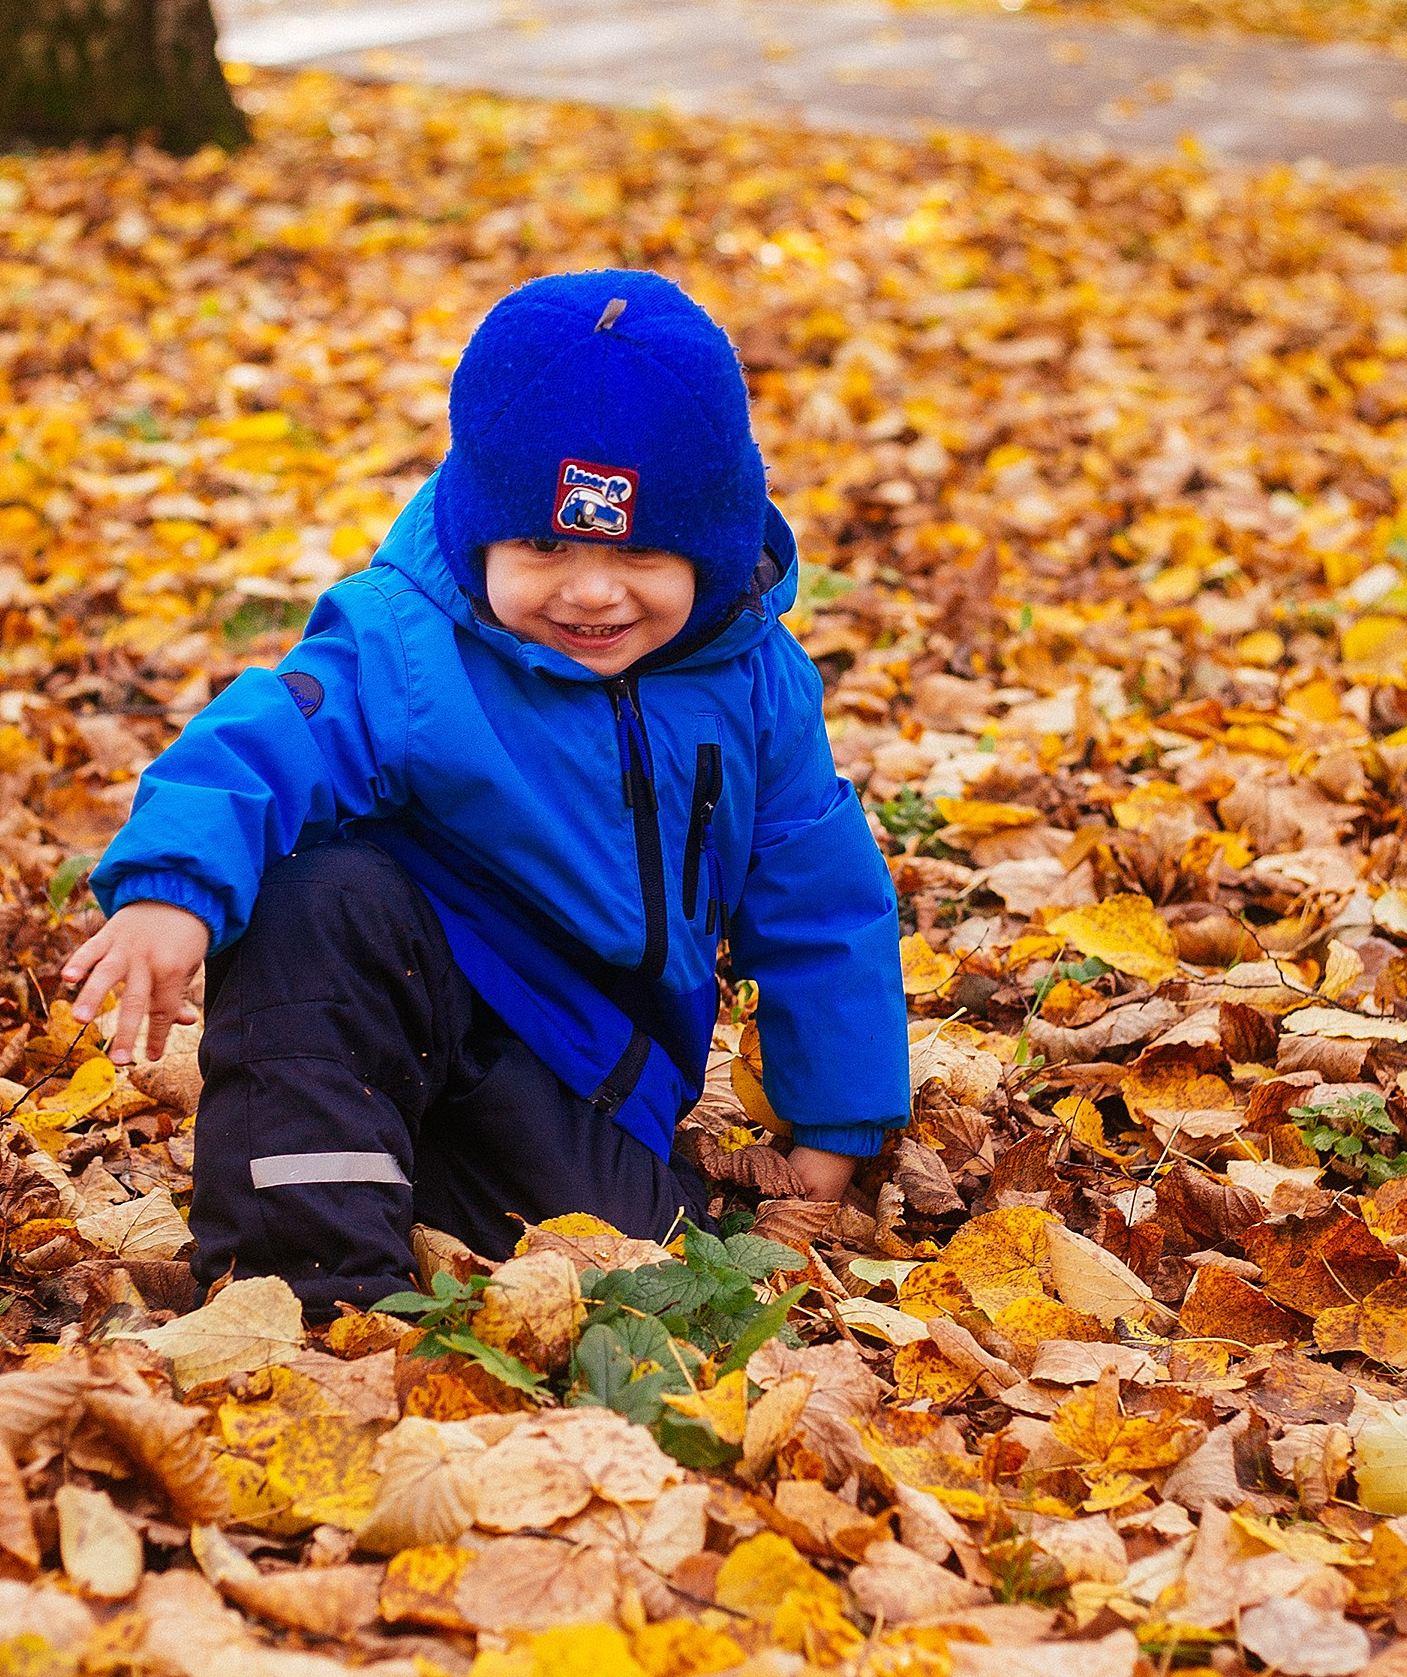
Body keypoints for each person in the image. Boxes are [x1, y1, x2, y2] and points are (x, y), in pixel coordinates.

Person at [64, 269, 909, 1321]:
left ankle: (426, 1201)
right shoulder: (407, 641)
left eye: (641, 551)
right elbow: (265, 737)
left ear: (715, 541)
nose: (591, 591)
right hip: (389, 1013)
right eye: (545, 545)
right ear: (478, 536)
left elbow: (821, 904)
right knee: (313, 896)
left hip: (589, 1076)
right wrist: (171, 889)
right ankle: (305, 1289)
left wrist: (833, 1128)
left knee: (637, 1269)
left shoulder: (752, 686)